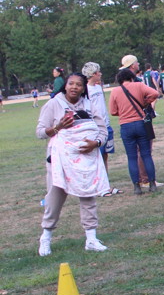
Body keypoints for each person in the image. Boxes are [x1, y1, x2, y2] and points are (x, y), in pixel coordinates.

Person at [36, 72, 110, 255]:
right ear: (65, 85)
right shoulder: (54, 104)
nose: (74, 87)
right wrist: (58, 127)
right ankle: (46, 237)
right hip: (60, 159)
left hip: (86, 158)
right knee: (55, 196)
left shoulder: (89, 105)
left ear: (84, 88)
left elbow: (102, 131)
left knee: (88, 194)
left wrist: (96, 143)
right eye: (71, 83)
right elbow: (40, 132)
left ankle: (91, 238)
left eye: (79, 84)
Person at [108, 55, 160, 194]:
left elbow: (113, 111)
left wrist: (123, 112)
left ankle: (137, 186)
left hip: (126, 125)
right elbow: (155, 93)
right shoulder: (139, 85)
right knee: (146, 154)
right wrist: (145, 102)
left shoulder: (115, 91)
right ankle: (152, 183)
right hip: (141, 123)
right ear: (131, 77)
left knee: (132, 157)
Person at [82, 61, 120, 197]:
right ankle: (98, 187)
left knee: (105, 156)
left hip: (106, 126)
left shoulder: (98, 88)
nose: (100, 74)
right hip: (95, 128)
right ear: (93, 74)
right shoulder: (85, 90)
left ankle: (106, 185)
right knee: (96, 157)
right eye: (98, 72)